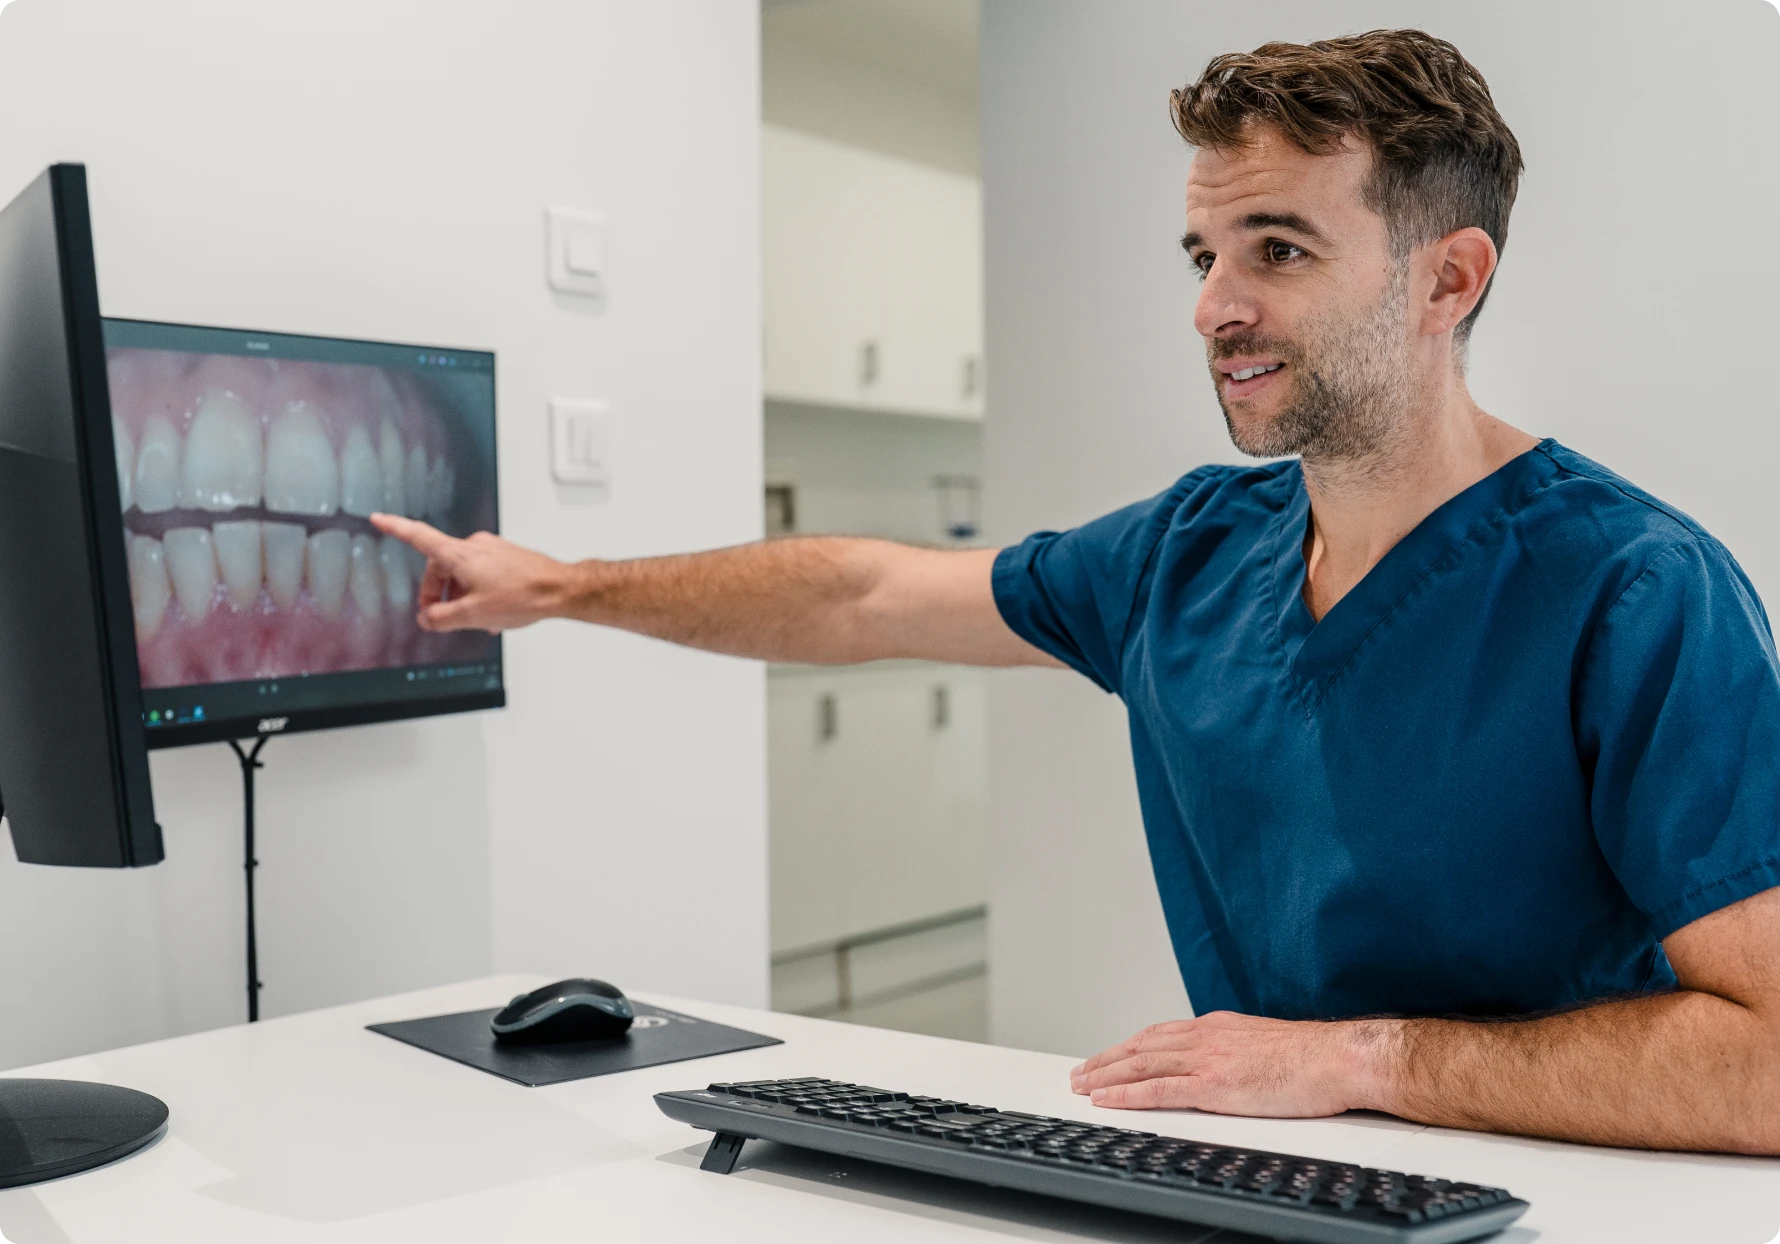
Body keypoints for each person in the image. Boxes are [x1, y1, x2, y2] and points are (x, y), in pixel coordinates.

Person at [374, 29, 1780, 1155]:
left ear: (1446, 280)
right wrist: (557, 584)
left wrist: (1360, 1061)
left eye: (1278, 250)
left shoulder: (1635, 591)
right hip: (1284, 1181)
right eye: (1205, 256)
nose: (1213, 305)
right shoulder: (1189, 555)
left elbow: (1769, 1066)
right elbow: (861, 595)